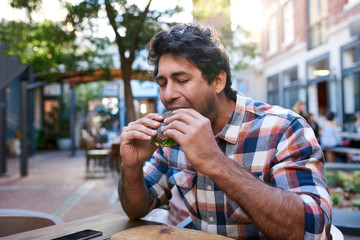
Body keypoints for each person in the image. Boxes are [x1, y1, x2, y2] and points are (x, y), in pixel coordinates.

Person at [119, 23, 331, 239]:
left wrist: (214, 160)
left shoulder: (284, 128)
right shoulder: (172, 137)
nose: (168, 94)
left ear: (218, 81)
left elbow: (313, 230)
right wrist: (131, 165)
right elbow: (136, 209)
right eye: (162, 83)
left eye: (181, 80)